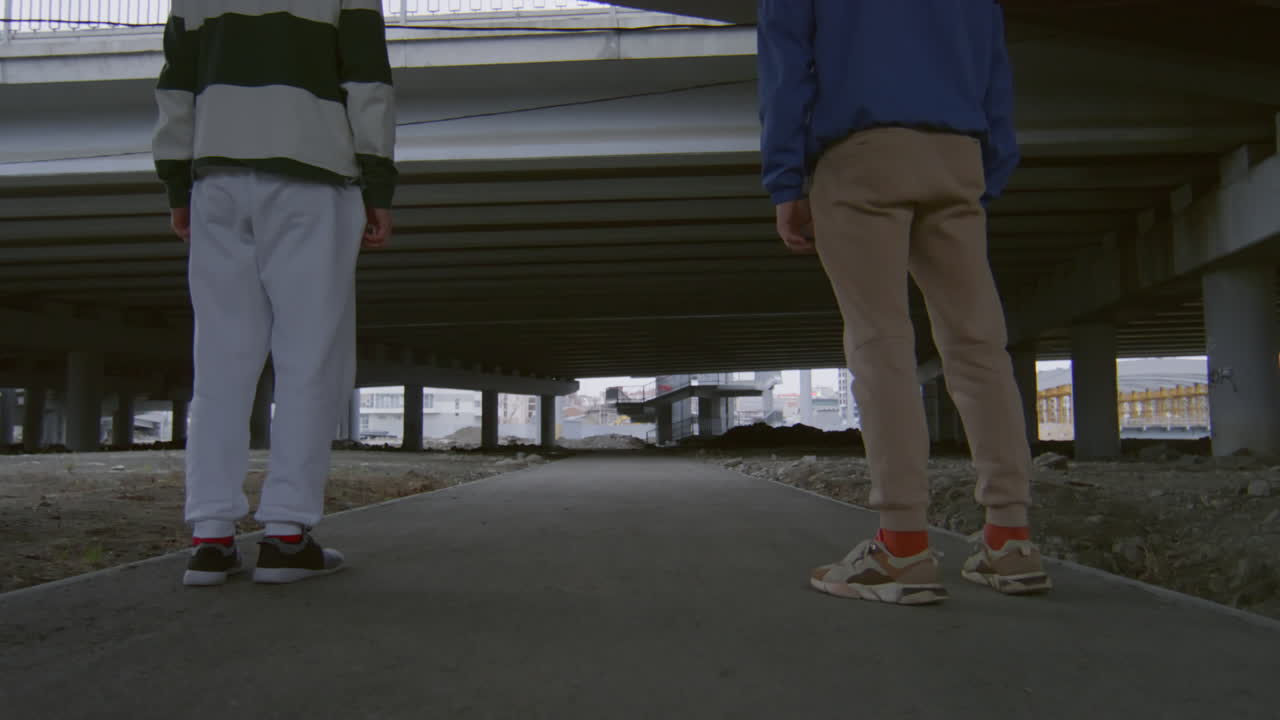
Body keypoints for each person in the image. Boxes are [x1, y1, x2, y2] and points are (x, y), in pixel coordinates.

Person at [757, 0, 1052, 605]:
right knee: (978, 345)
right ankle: (1010, 540)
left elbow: (787, 68)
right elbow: (995, 71)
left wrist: (785, 179)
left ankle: (903, 547)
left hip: (861, 154)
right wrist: (987, 170)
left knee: (881, 342)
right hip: (957, 154)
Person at [153, 0, 397, 586]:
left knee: (221, 361)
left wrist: (178, 185)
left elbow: (176, 86)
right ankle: (286, 535)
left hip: (217, 179)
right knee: (309, 359)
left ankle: (210, 536)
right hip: (313, 176)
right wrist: (378, 186)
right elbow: (367, 85)